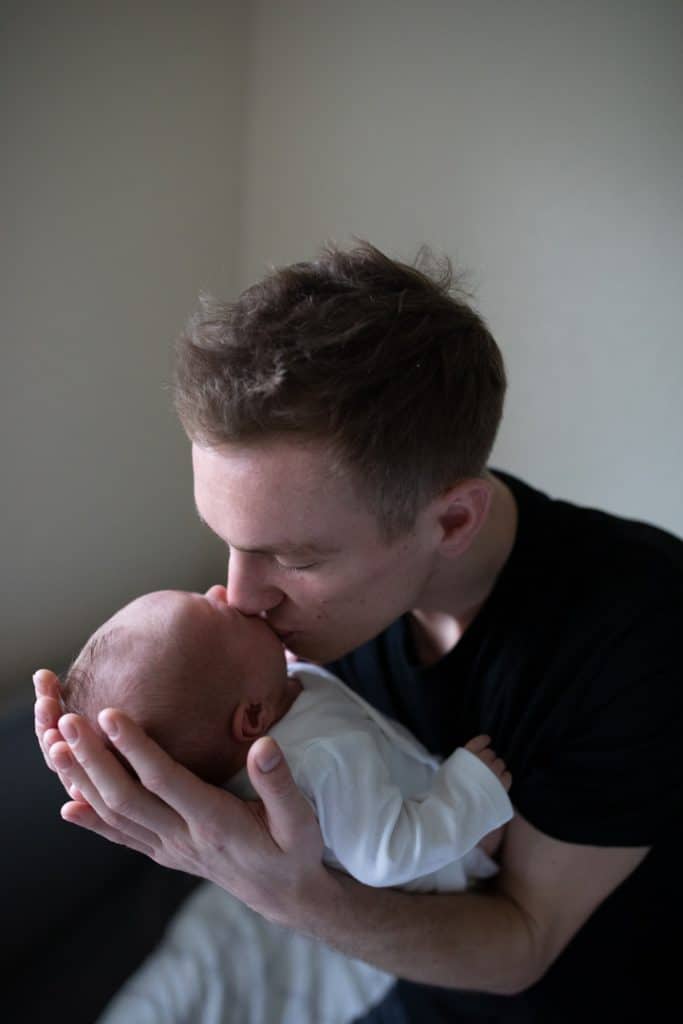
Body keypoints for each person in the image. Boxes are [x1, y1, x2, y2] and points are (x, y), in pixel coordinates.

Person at [34, 240, 682, 1022]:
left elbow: (522, 944)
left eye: (294, 558)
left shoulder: (640, 632)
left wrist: (283, 894)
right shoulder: (270, 640)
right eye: (229, 539)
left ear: (450, 520)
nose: (240, 595)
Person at [61, 586, 513, 890]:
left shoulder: (267, 696)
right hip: (441, 860)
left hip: (412, 790)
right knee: (498, 827)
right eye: (220, 612)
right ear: (254, 716)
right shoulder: (317, 761)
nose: (224, 591)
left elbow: (291, 681)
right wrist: (462, 793)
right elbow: (385, 857)